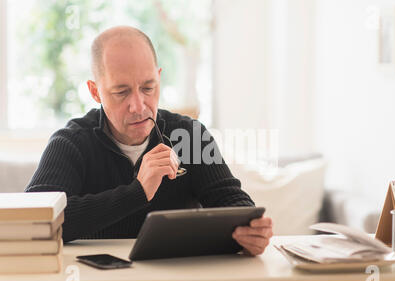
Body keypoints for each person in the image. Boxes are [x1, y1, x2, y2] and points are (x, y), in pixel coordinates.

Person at [26, 26, 273, 256]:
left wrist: (252, 232)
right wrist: (138, 192)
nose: (138, 106)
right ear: (95, 91)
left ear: (159, 78)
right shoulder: (71, 143)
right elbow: (34, 223)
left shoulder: (189, 136)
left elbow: (234, 203)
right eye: (121, 92)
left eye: (148, 88)